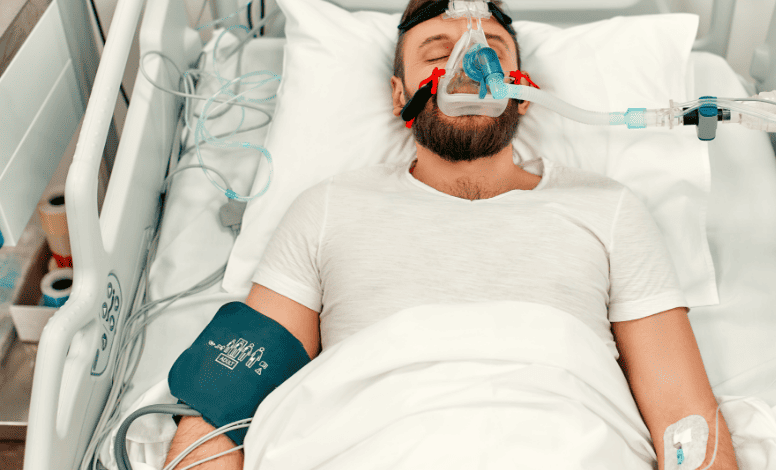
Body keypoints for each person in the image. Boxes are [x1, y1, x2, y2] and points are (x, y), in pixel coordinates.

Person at [166, 1, 739, 468]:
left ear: (523, 89)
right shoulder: (328, 207)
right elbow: (225, 402)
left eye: (489, 57)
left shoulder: (608, 208)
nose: (468, 68)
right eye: (439, 54)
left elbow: (684, 418)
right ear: (399, 95)